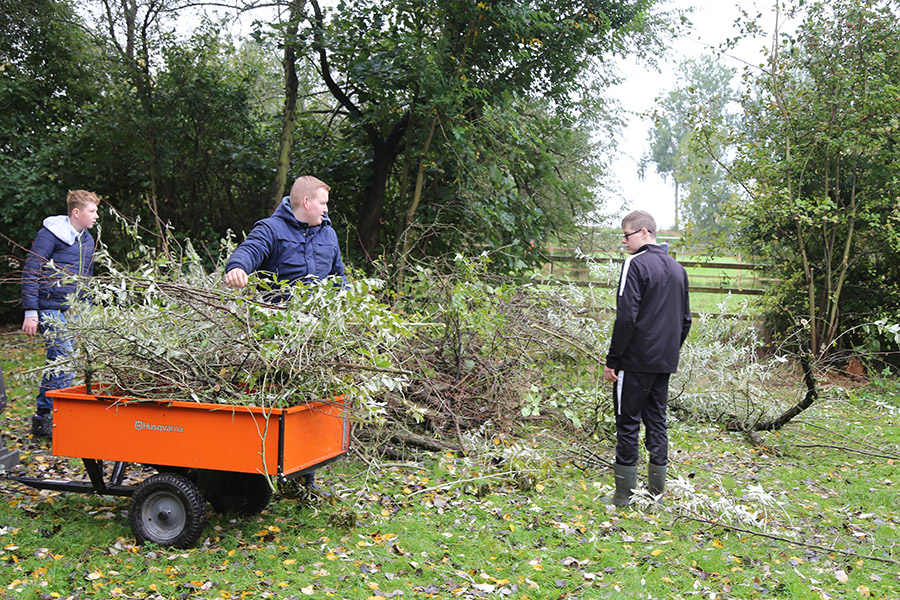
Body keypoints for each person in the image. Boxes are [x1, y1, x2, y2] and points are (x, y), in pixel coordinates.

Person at [225, 175, 345, 494]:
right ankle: (263, 473)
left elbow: (338, 277)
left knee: (312, 403)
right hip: (278, 334)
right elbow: (249, 251)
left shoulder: (329, 234)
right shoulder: (271, 229)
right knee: (281, 401)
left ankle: (305, 479)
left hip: (317, 332)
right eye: (322, 202)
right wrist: (237, 268)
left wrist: (348, 304)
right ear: (306, 202)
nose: (325, 208)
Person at [602, 210, 691, 506]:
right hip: (663, 362)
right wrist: (668, 350)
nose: (624, 242)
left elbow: (626, 317)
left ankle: (624, 496)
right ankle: (656, 494)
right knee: (657, 422)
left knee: (627, 422)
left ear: (643, 232)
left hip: (634, 361)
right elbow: (686, 320)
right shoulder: (679, 270)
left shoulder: (635, 264)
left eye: (626, 235)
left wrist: (613, 360)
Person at [21, 190, 100, 438]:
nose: (96, 216)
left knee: (60, 361)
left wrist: (87, 311)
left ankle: (43, 418)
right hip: (49, 306)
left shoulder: (87, 240)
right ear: (76, 212)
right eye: (92, 211)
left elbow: (86, 279)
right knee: (63, 357)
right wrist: (31, 312)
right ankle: (60, 422)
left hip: (74, 309)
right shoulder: (49, 235)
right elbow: (31, 271)